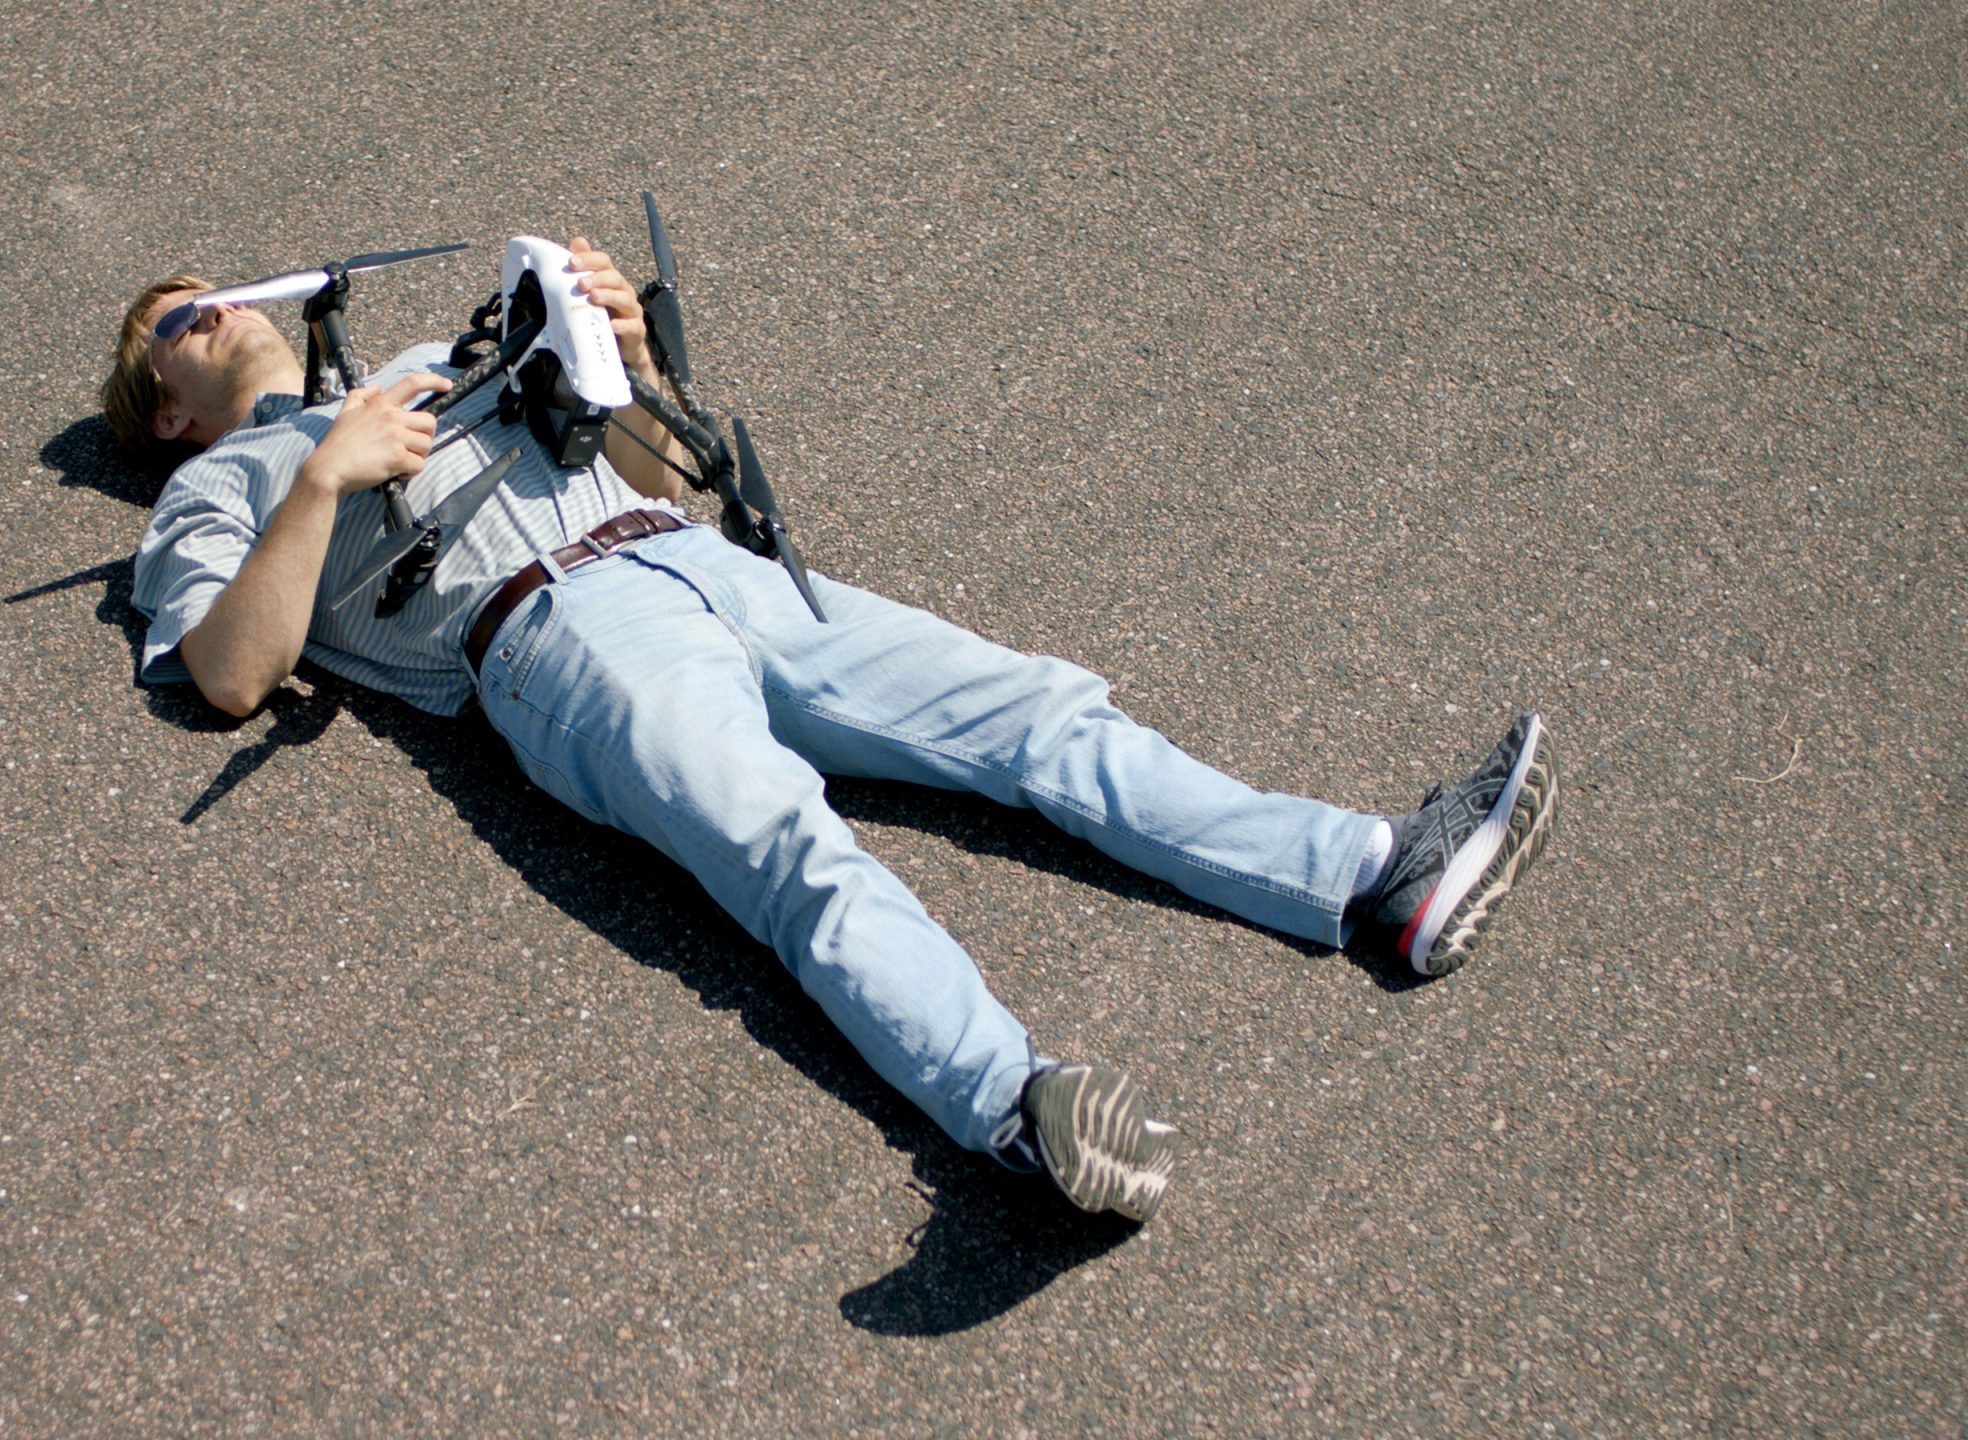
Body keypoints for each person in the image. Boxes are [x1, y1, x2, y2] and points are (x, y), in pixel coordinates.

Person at [100, 236, 1559, 1223]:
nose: (216, 308)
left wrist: (622, 359)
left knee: (1034, 710)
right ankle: (1021, 1109)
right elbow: (229, 674)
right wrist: (320, 478)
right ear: (164, 408)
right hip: (552, 640)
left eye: (221, 287)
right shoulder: (213, 491)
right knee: (789, 850)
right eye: (177, 319)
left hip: (696, 560)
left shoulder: (430, 350)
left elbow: (651, 468)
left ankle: (1375, 871)